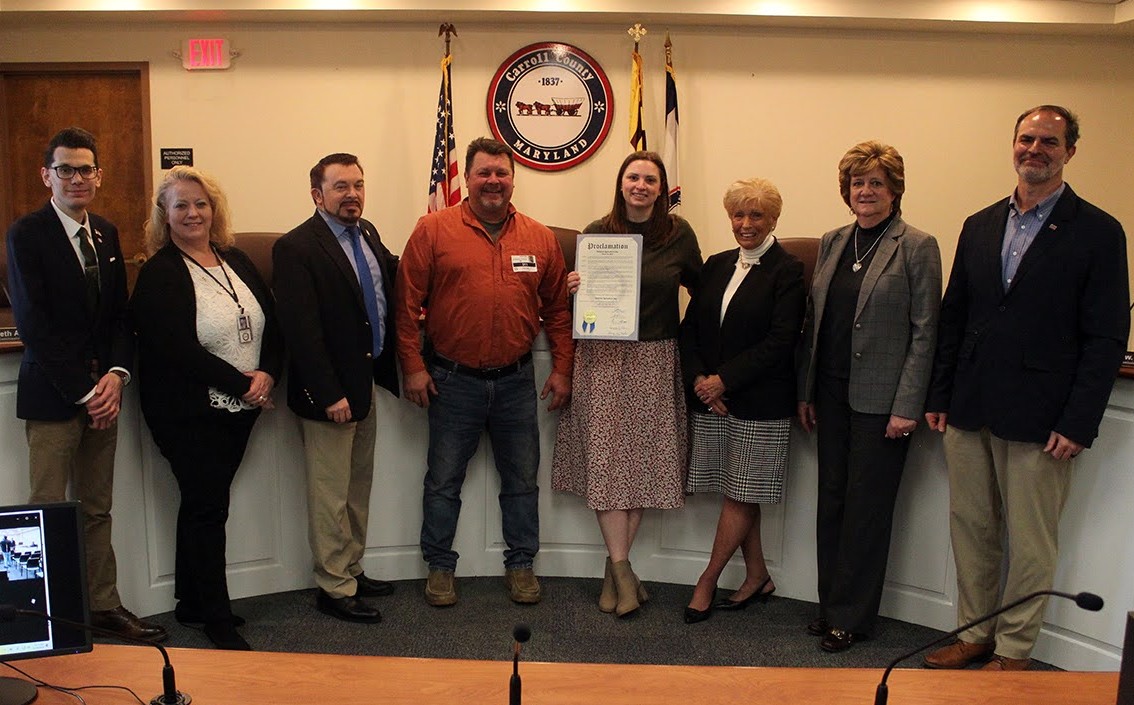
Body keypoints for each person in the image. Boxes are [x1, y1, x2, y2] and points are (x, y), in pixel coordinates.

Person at [923, 106, 1128, 671]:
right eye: (1026, 138)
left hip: (1044, 417)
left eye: (1049, 142)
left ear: (1070, 152)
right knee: (972, 529)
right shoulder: (981, 223)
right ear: (1013, 145)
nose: (1035, 149)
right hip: (970, 406)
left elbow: (1107, 336)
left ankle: (1014, 648)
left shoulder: (1100, 231)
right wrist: (939, 395)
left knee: (1032, 543)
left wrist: (1078, 420)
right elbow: (955, 315)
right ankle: (975, 633)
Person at [396, 137, 573, 607]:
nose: (493, 181)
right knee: (443, 480)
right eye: (483, 173)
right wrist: (412, 367)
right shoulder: (433, 231)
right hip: (452, 380)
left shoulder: (539, 237)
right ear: (467, 178)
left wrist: (562, 370)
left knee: (522, 480)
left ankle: (521, 565)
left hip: (517, 382)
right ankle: (439, 567)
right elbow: (406, 304)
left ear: (513, 178)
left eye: (501, 173)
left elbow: (557, 310)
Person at [5, 127, 167, 642]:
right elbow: (35, 326)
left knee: (97, 508)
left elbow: (120, 316)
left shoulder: (108, 233)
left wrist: (117, 377)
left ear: (98, 175)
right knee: (45, 511)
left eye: (86, 170)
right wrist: (85, 390)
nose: (77, 178)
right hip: (55, 396)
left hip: (104, 396)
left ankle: (102, 606)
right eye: (66, 169)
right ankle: (42, 619)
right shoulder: (26, 234)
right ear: (46, 176)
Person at [797, 141, 942, 652]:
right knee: (831, 502)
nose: (866, 191)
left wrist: (908, 405)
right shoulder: (834, 240)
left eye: (876, 183)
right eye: (858, 183)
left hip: (883, 403)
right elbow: (816, 323)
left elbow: (926, 331)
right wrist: (806, 389)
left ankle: (852, 618)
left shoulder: (917, 245)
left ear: (895, 190)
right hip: (830, 394)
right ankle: (829, 604)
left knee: (867, 508)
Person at [130, 166, 282, 650]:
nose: (193, 213)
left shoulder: (234, 257)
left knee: (200, 503)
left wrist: (267, 375)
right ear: (164, 216)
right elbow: (175, 349)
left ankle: (190, 603)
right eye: (181, 205)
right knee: (208, 508)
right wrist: (242, 384)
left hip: (241, 407)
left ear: (214, 209)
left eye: (200, 203)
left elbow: (272, 322)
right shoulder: (160, 272)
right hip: (187, 412)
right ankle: (216, 616)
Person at [551, 151, 701, 617]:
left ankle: (616, 571)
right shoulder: (596, 234)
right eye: (633, 177)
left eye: (650, 179)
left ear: (661, 189)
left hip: (655, 360)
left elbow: (703, 289)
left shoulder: (679, 235)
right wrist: (573, 286)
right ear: (621, 184)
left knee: (637, 470)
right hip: (602, 359)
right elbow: (576, 304)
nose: (640, 185)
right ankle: (624, 574)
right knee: (609, 468)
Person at [273, 153, 400, 624]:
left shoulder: (366, 233)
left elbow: (391, 278)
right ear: (317, 195)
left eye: (359, 185)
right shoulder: (296, 248)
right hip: (331, 397)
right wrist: (329, 394)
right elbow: (301, 332)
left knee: (356, 488)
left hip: (365, 384)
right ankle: (333, 585)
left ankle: (351, 567)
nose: (353, 194)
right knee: (329, 494)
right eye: (341, 186)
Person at [679, 178, 805, 624]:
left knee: (741, 492)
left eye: (757, 216)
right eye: (738, 215)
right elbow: (690, 329)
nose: (746, 224)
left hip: (760, 401)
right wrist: (700, 380)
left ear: (774, 220)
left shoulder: (788, 271)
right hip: (712, 400)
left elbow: (782, 340)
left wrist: (723, 381)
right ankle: (758, 575)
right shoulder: (715, 265)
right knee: (735, 490)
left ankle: (708, 579)